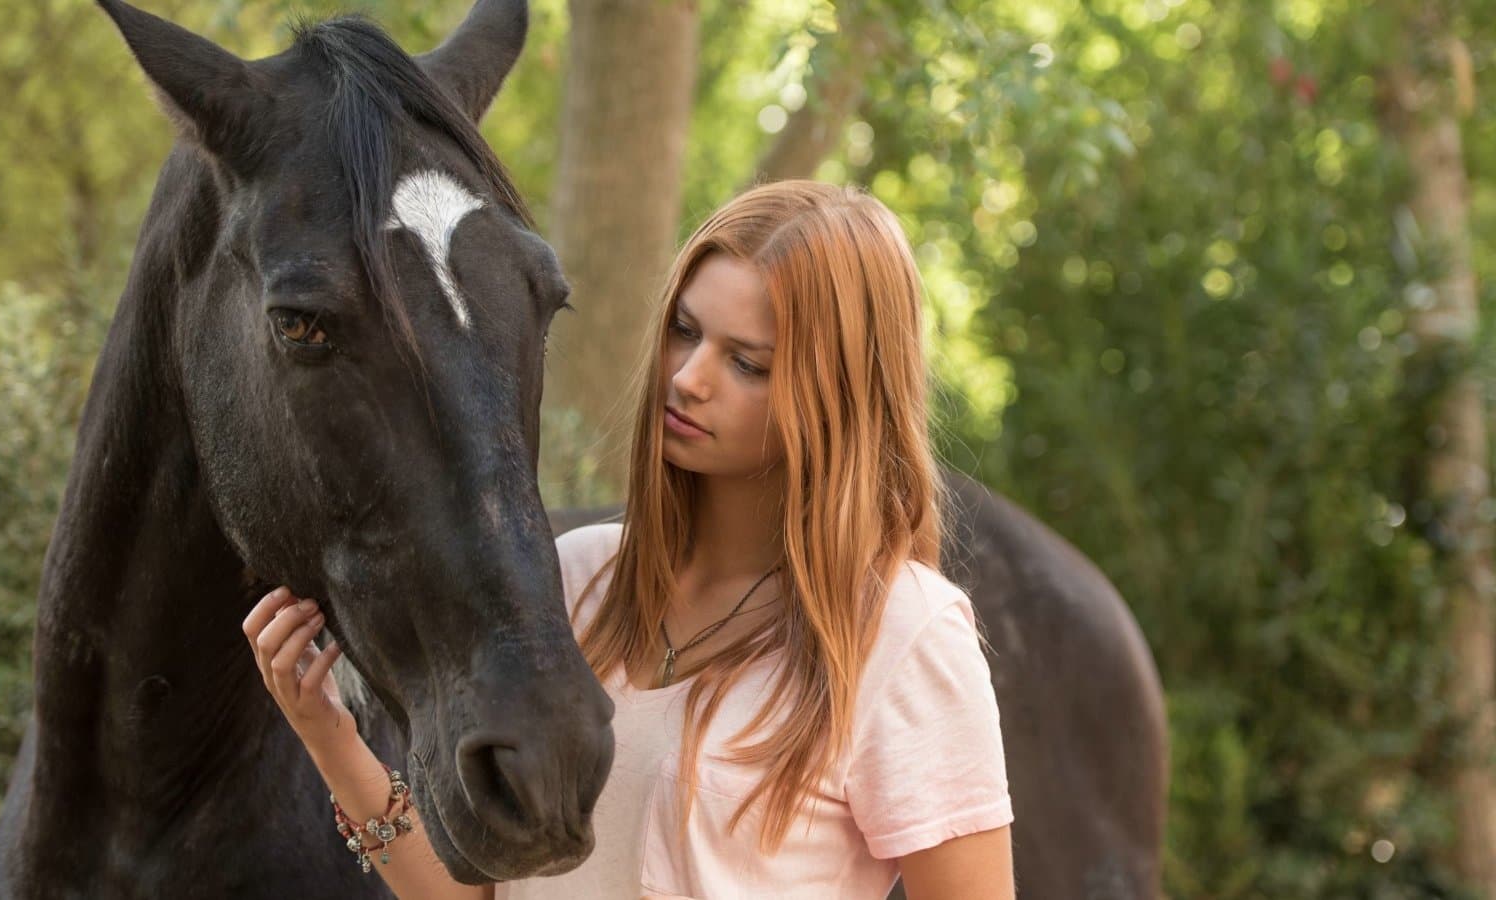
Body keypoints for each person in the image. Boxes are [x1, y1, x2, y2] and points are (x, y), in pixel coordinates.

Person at [243, 180, 1015, 899]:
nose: (688, 378)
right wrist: (330, 737)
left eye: (746, 362)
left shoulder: (902, 636)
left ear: (838, 397)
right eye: (685, 331)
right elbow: (476, 894)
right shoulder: (573, 582)